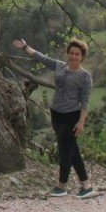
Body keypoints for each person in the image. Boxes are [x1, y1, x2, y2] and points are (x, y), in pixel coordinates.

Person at [12, 37, 96, 199]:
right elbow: (41, 57)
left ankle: (62, 185)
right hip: (56, 114)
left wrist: (81, 122)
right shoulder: (60, 66)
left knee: (66, 150)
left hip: (71, 116)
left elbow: (85, 102)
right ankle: (86, 185)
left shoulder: (85, 76)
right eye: (71, 53)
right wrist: (25, 47)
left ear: (82, 57)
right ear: (68, 54)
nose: (73, 56)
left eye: (77, 54)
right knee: (71, 149)